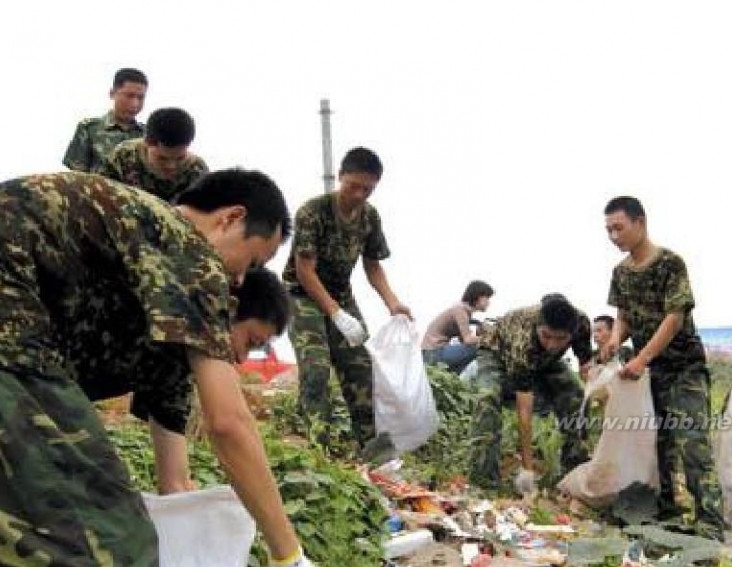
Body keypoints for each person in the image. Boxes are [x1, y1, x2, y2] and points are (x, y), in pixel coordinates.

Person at [0, 169, 324, 567]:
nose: (241, 282)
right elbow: (230, 425)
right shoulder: (183, 246)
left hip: (10, 361)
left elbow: (175, 481)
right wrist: (286, 554)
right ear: (227, 220)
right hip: (4, 354)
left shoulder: (156, 315)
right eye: (252, 261)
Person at [601, 195, 724, 537]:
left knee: (693, 443)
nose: (613, 236)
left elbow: (675, 316)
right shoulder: (621, 272)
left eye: (619, 228)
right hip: (651, 373)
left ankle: (712, 525)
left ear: (640, 223)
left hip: (684, 368)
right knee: (659, 444)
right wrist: (615, 340)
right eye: (608, 230)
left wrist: (642, 358)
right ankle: (669, 514)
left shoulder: (670, 263)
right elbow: (624, 315)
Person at [284, 147, 411, 454]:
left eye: (366, 189)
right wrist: (336, 314)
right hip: (302, 297)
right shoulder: (313, 212)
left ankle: (372, 452)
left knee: (361, 370)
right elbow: (304, 270)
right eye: (353, 185)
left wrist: (392, 302)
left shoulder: (369, 217)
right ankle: (317, 450)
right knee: (316, 369)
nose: (358, 194)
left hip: (341, 295)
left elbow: (373, 265)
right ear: (340, 176)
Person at [126, 266, 291, 494]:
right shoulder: (158, 305)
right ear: (228, 310)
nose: (242, 358)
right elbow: (227, 423)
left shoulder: (176, 362)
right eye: (250, 341)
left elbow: (174, 481)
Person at [469, 294, 592, 491]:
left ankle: (574, 471)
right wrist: (527, 468)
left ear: (572, 332)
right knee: (488, 398)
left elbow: (587, 368)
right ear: (538, 327)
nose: (552, 344)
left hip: (545, 360)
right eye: (546, 336)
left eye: (561, 339)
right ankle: (484, 480)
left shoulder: (582, 324)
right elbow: (524, 409)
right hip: (496, 351)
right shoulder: (523, 339)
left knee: (575, 395)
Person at [97, 107, 209, 202]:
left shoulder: (197, 171)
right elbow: (100, 198)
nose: (171, 166)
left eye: (180, 158)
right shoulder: (123, 157)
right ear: (147, 143)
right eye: (162, 159)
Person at [62, 67, 148, 172]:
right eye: (129, 96)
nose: (135, 103)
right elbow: (77, 177)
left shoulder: (148, 135)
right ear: (112, 93)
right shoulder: (89, 128)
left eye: (140, 98)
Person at [422, 280, 494, 374]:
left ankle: (453, 376)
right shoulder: (460, 310)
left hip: (431, 353)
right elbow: (467, 340)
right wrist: (491, 338)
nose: (489, 302)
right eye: (487, 298)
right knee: (479, 348)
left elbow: (463, 341)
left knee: (470, 353)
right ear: (478, 297)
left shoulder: (463, 311)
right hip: (433, 353)